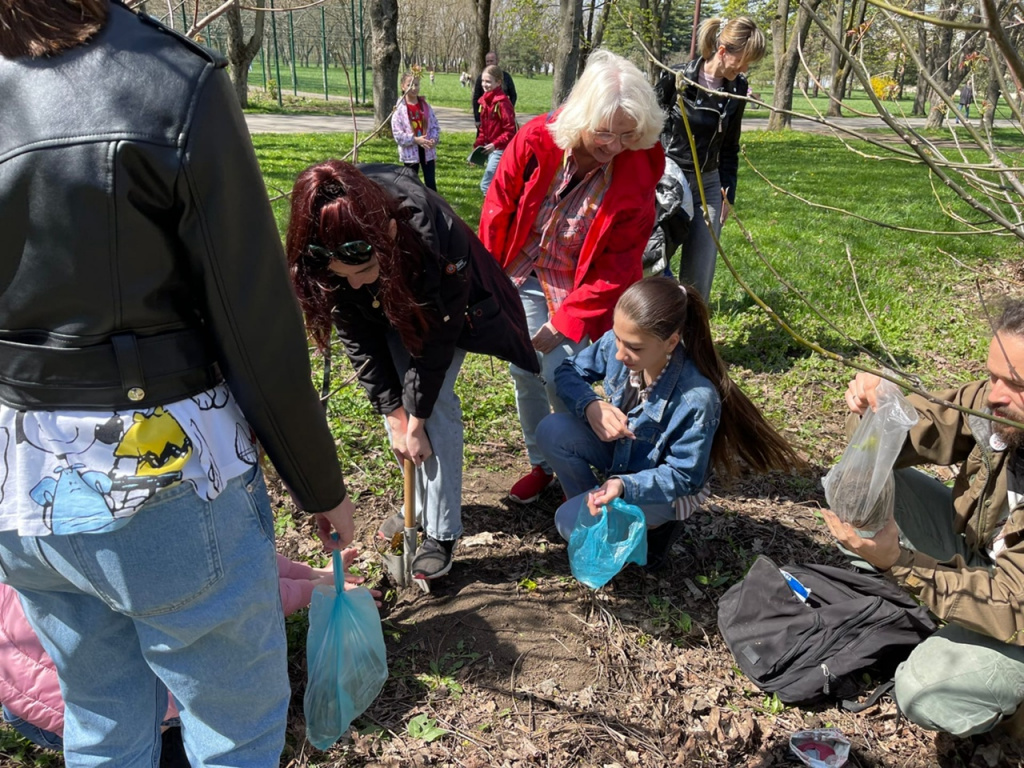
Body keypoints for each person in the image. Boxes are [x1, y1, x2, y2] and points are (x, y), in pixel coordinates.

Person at [0, 1, 355, 765]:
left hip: (17, 478)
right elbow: (254, 322)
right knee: (236, 719)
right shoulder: (165, 81)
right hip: (153, 472)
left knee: (97, 713)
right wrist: (320, 485)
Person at [288, 160, 537, 580]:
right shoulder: (328, 243)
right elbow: (357, 339)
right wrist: (396, 415)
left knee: (431, 409)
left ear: (385, 235)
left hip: (449, 312)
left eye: (364, 271)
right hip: (387, 308)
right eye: (342, 277)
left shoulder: (432, 234)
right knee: (399, 416)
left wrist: (417, 419)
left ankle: (440, 533)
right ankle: (414, 506)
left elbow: (436, 341)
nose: (352, 284)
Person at [824, 299, 1024, 739]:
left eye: (1014, 383)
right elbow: (921, 426)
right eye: (992, 375)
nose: (994, 395)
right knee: (860, 490)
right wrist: (877, 408)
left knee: (922, 692)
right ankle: (954, 609)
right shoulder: (1001, 406)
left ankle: (1013, 710)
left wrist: (901, 564)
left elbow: (1013, 606)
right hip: (988, 560)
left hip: (1018, 613)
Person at [479, 48, 666, 505]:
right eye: (604, 132)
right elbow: (498, 212)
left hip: (578, 283)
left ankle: (572, 461)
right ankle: (541, 463)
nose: (612, 145)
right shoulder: (536, 140)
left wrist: (565, 322)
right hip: (522, 266)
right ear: (582, 113)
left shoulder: (639, 167)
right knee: (526, 369)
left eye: (626, 135)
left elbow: (620, 264)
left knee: (562, 373)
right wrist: (486, 285)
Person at [0, 552, 379, 763]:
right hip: (68, 714)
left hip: (23, 704)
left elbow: (249, 559)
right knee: (211, 700)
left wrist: (313, 573)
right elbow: (240, 604)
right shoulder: (152, 548)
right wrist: (314, 589)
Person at [537, 278, 802, 570]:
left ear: (671, 343)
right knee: (552, 430)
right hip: (624, 460)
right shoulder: (625, 344)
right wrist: (590, 405)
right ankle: (599, 519)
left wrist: (624, 485)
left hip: (660, 490)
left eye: (633, 348)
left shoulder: (696, 399)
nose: (618, 354)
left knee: (566, 522)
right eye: (616, 338)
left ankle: (642, 534)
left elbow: (685, 476)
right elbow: (568, 371)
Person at [655, 17, 766, 301]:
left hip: (710, 183)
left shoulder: (737, 88)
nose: (744, 68)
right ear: (722, 50)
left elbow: (730, 145)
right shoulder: (677, 78)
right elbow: (650, 129)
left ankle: (691, 337)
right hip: (670, 180)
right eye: (742, 60)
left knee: (699, 276)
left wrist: (728, 191)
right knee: (654, 264)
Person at [391, 72, 441, 191]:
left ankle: (434, 207)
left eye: (416, 85)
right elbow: (398, 135)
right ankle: (414, 207)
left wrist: (433, 139)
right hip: (411, 154)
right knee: (411, 185)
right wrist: (414, 140)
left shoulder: (425, 106)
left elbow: (434, 126)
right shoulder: (399, 110)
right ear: (403, 86)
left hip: (427, 151)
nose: (413, 88)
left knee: (430, 183)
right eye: (409, 85)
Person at [473, 64, 517, 195]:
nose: (484, 84)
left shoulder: (503, 103)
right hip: (489, 149)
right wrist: (476, 149)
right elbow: (483, 130)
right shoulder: (484, 102)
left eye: (488, 81)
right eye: (482, 81)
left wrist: (495, 145)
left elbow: (510, 131)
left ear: (498, 82)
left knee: (486, 185)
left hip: (501, 149)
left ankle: (491, 213)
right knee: (497, 185)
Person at [472, 51, 517, 128]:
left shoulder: (506, 77)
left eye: (492, 61)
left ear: (497, 61)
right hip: (485, 117)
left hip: (501, 117)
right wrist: (477, 119)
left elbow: (513, 95)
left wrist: (508, 109)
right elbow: (476, 98)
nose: (490, 63)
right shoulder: (481, 77)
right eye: (487, 61)